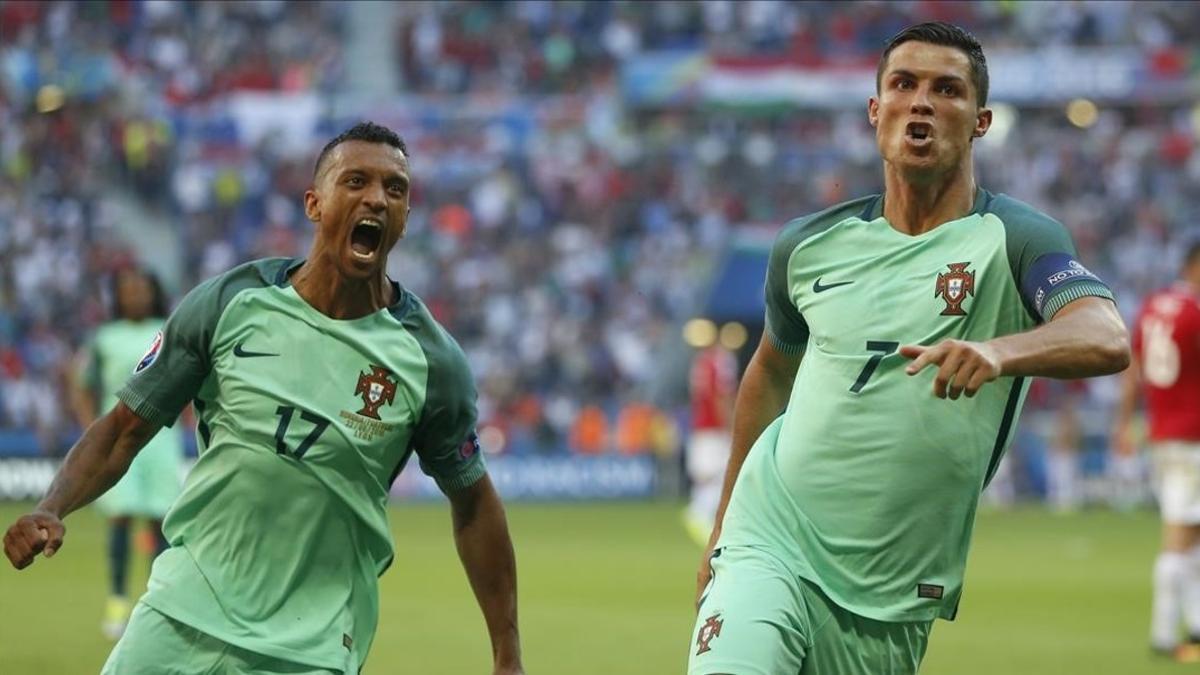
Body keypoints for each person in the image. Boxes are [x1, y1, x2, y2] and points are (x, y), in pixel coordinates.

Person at [688, 22, 1130, 674]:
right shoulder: (807, 246)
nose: (921, 101)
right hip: (771, 541)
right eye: (904, 84)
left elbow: (1106, 333)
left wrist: (1001, 351)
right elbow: (771, 373)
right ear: (876, 111)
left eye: (946, 89)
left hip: (894, 589)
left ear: (979, 121)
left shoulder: (1014, 238)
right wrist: (725, 525)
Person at [4, 122, 524, 675]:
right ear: (314, 204)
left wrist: (507, 655)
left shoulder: (430, 361)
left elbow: (474, 504)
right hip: (180, 614)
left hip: (312, 648)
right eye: (356, 181)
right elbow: (124, 428)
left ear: (404, 219)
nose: (376, 198)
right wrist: (50, 507)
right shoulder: (230, 303)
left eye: (395, 189)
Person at [68, 267, 185, 640]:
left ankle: (157, 604)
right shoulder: (103, 338)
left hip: (161, 439)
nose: (135, 296)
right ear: (117, 297)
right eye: (128, 290)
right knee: (120, 517)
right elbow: (81, 383)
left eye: (141, 289)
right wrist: (90, 425)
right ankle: (118, 602)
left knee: (159, 521)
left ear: (153, 292)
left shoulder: (168, 330)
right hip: (118, 437)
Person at [1112, 239, 1200, 663]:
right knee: (1179, 539)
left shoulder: (1152, 307)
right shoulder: (1196, 314)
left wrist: (1126, 422)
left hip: (1163, 435)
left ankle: (1196, 627)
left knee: (1190, 535)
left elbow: (1134, 369)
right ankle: (1164, 635)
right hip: (1194, 439)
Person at [683, 337, 738, 546]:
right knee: (727, 473)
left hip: (700, 427)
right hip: (714, 430)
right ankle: (699, 514)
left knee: (709, 478)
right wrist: (730, 427)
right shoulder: (720, 362)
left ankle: (702, 516)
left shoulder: (700, 362)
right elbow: (721, 397)